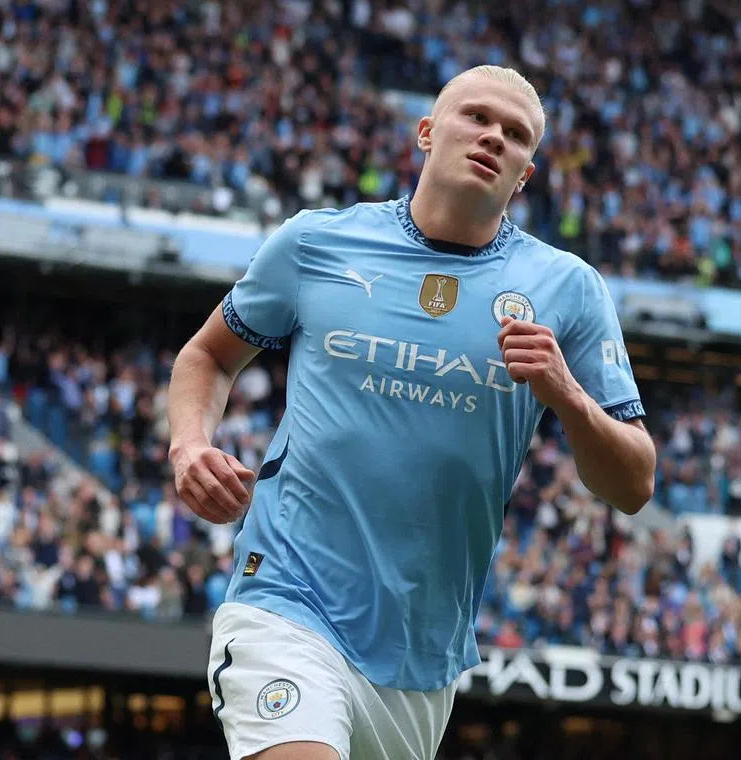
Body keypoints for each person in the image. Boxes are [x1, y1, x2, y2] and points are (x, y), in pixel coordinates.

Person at [167, 65, 656, 760]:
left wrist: (568, 395)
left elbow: (633, 485)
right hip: (286, 599)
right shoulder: (315, 244)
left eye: (515, 135)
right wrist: (189, 447)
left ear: (525, 175)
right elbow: (207, 358)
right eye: (476, 117)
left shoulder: (568, 289)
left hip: (420, 653)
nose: (492, 137)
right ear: (427, 133)